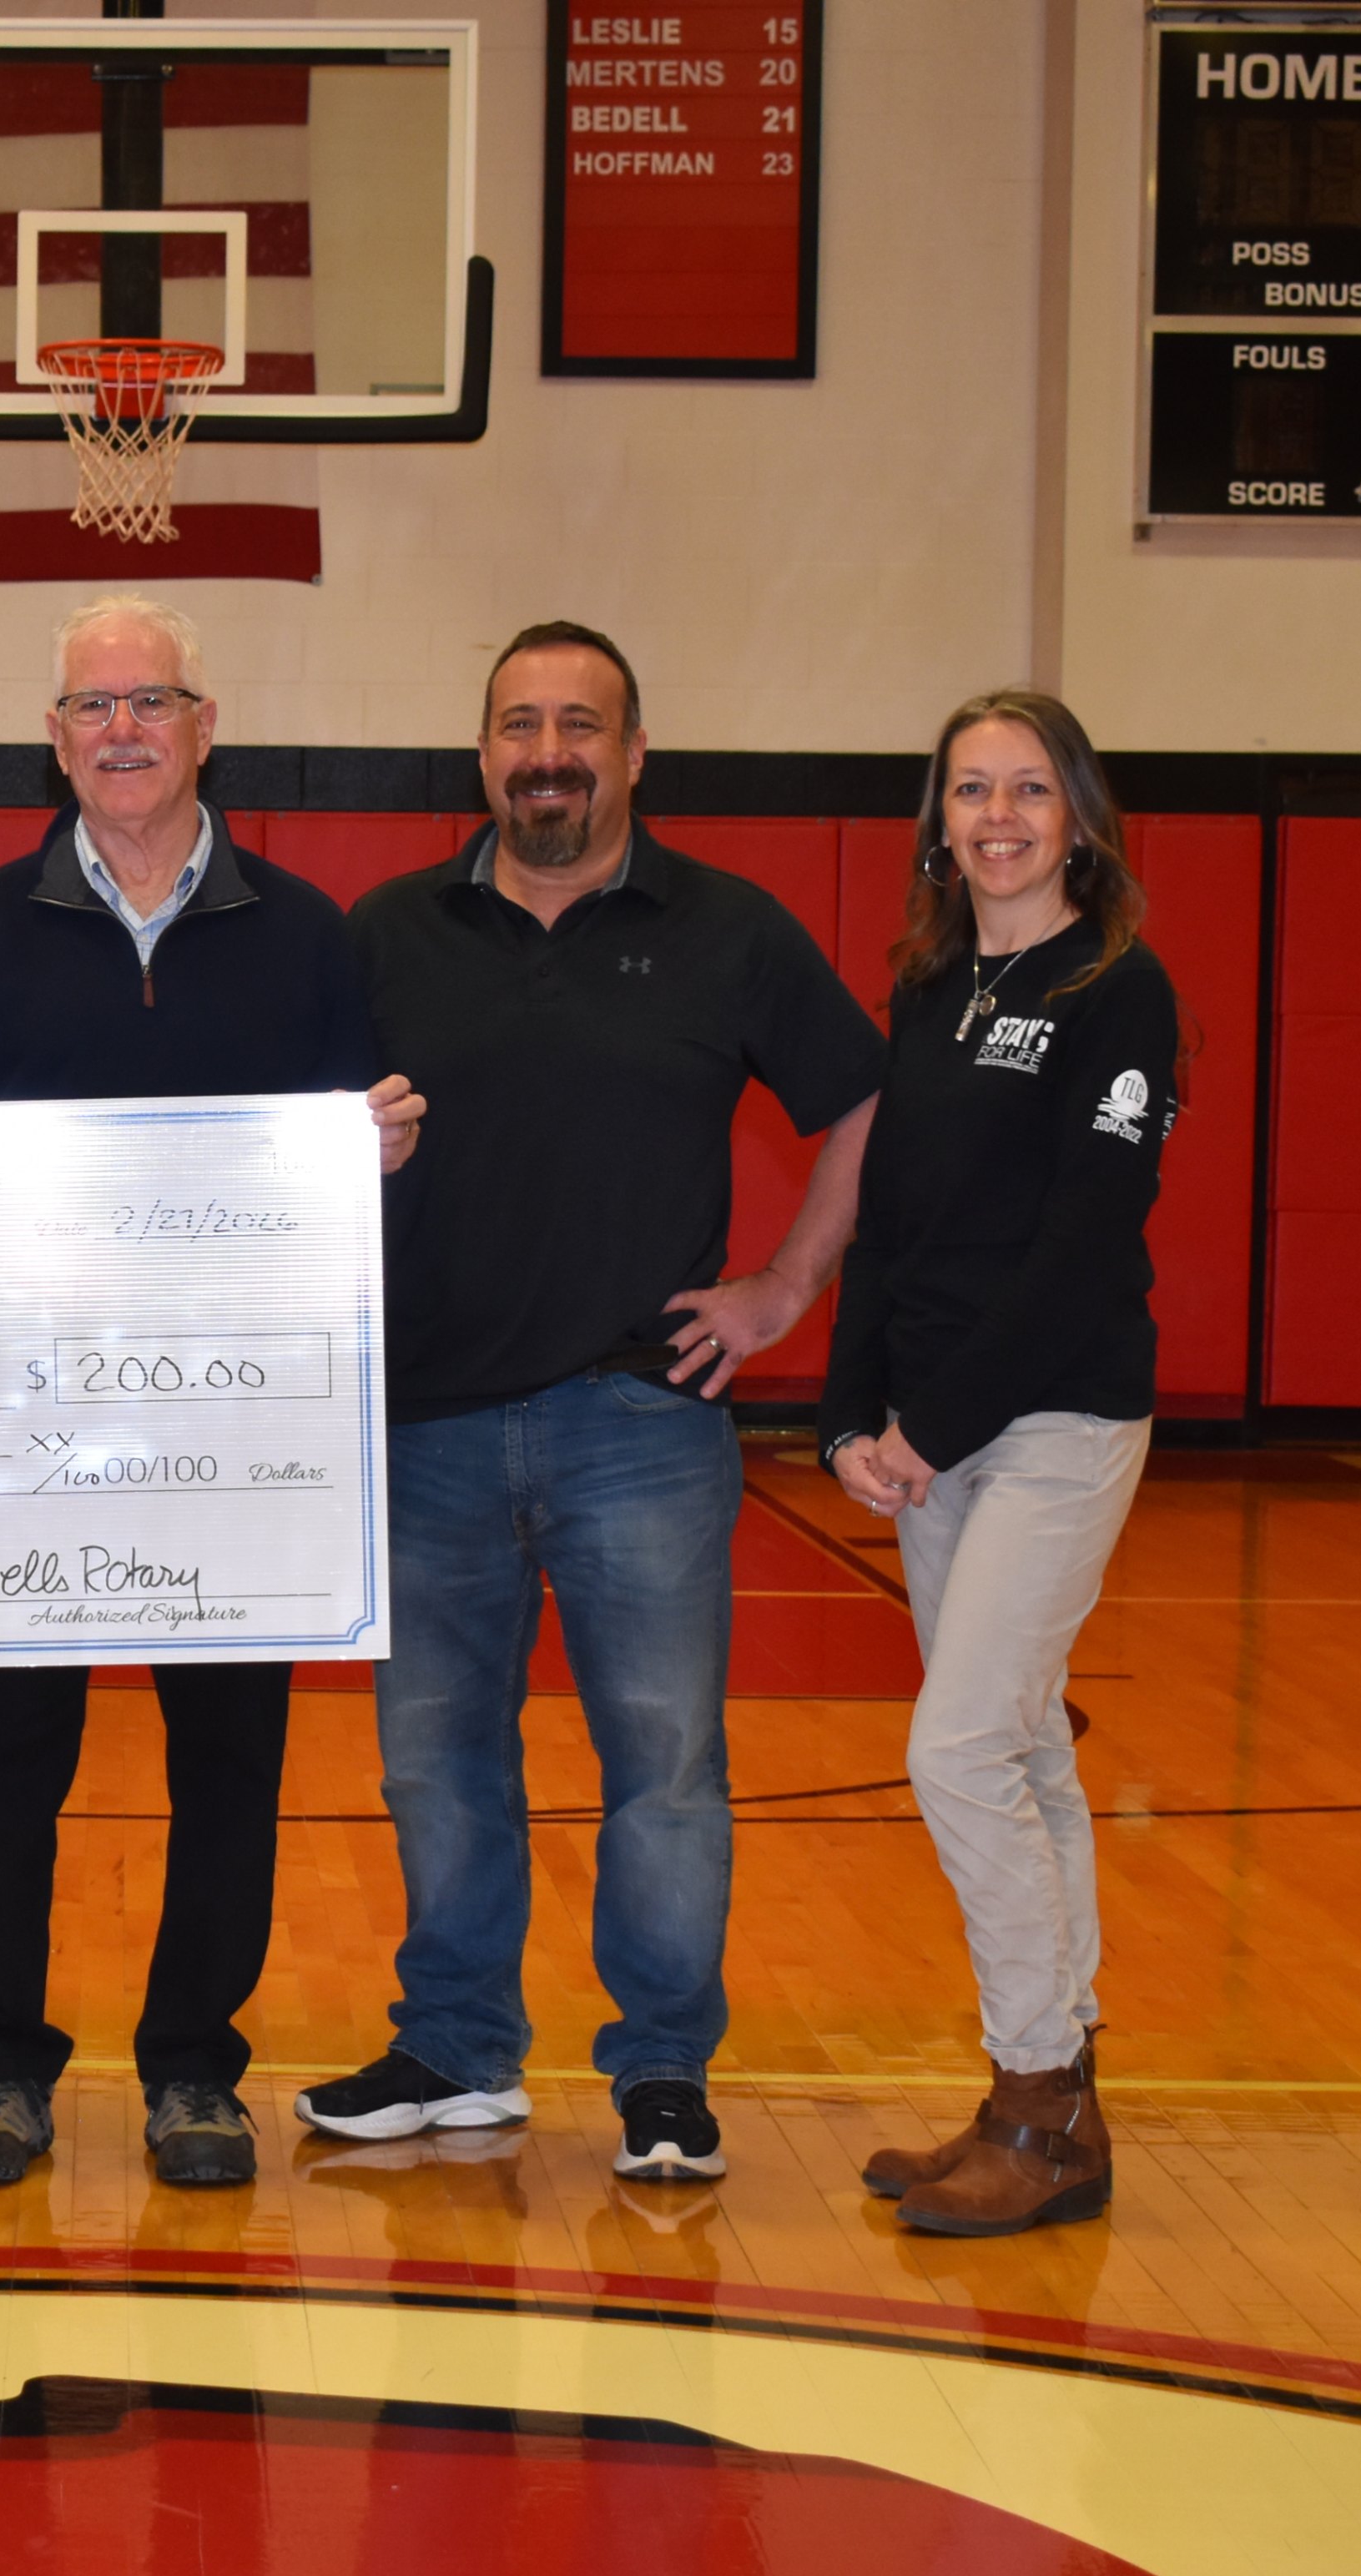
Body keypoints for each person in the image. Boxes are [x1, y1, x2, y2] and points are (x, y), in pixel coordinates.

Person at [302, 622, 885, 2182]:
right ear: (482, 750)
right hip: (423, 1424)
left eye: (581, 724)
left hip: (642, 1425)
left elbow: (863, 1101)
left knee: (667, 1767)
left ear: (635, 755)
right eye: (518, 723)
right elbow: (286, 1135)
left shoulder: (731, 930)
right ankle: (458, 2047)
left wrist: (780, 1292)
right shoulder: (385, 933)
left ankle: (663, 2072)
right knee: (436, 1760)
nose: (546, 750)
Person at [0, 595, 426, 2193]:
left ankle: (194, 2063)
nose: (121, 729)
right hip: (12, 1432)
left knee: (229, 1756)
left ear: (204, 726)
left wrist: (375, 1148)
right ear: (53, 740)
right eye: (91, 705)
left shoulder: (312, 936)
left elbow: (354, 1200)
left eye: (152, 701)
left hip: (228, 1437)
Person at [823, 690, 1180, 2238]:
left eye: (1030, 788)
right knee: (1023, 1746)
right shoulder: (933, 986)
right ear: (939, 823)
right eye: (971, 790)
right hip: (930, 1433)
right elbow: (887, 1223)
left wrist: (933, 1424)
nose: (999, 816)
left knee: (958, 1747)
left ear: (1080, 817)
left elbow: (1083, 1241)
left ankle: (1034, 2098)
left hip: (1052, 1418)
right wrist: (845, 1414)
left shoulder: (1121, 990)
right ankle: (1062, 2108)